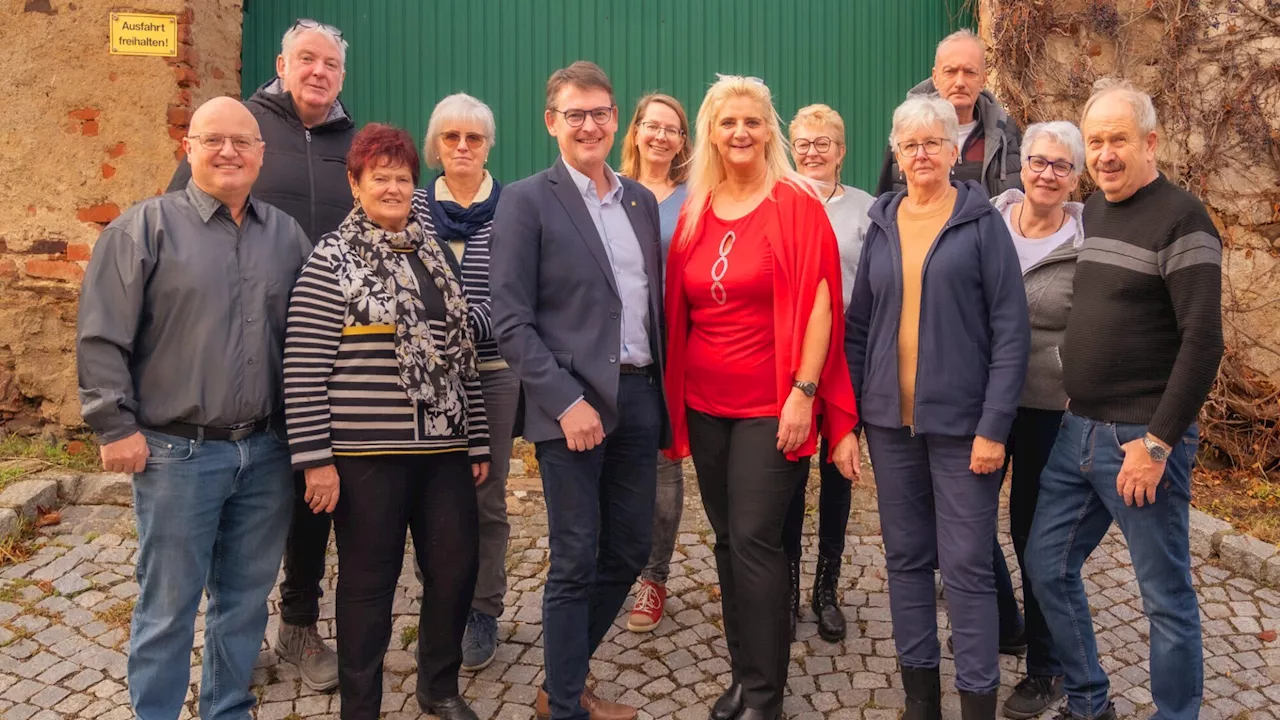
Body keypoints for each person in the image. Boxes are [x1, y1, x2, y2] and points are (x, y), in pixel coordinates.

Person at [78, 97, 312, 720]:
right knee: (168, 603)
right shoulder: (143, 228)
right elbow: (102, 335)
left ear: (262, 154)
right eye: (214, 140)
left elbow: (310, 339)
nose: (229, 152)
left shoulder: (286, 237)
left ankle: (226, 708)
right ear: (190, 148)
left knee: (244, 599)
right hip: (177, 452)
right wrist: (113, 423)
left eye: (242, 142)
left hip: (265, 452)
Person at [664, 74, 862, 720]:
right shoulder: (698, 207)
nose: (740, 133)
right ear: (711, 134)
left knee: (755, 538)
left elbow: (823, 302)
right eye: (728, 124)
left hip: (772, 402)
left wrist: (806, 392)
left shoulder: (794, 203)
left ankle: (767, 694)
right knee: (726, 540)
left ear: (768, 129)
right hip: (706, 399)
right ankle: (746, 675)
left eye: (751, 122)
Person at [167, 18, 355, 691]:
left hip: (323, 357)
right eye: (306, 59)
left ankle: (299, 624)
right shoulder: (241, 129)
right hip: (238, 349)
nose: (317, 72)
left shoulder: (352, 144)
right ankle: (233, 635)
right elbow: (177, 223)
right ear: (281, 63)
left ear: (341, 74)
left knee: (313, 495)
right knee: (233, 495)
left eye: (330, 63)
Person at [1025, 81, 1223, 720]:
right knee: (1046, 565)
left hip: (1140, 439)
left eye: (1118, 140)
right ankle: (1089, 704)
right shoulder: (1098, 211)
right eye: (1097, 141)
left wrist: (1159, 441)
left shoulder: (1182, 218)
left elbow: (1203, 342)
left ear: (1150, 141)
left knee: (1164, 594)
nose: (1105, 154)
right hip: (1075, 429)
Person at [283, 123, 490, 720]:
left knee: (454, 569)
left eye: (403, 177)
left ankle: (438, 687)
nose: (394, 188)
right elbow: (302, 366)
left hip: (444, 450)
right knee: (369, 585)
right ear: (355, 183)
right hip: (366, 454)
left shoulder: (432, 255)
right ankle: (361, 705)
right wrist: (315, 460)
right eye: (381, 177)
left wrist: (475, 438)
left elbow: (461, 358)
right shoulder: (332, 259)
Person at [491, 61, 667, 720]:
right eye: (575, 114)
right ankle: (565, 704)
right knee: (573, 559)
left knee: (627, 549)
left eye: (599, 112)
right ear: (551, 123)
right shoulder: (527, 200)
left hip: (640, 395)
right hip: (569, 407)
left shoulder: (640, 201)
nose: (588, 124)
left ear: (615, 118)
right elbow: (508, 318)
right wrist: (565, 400)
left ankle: (559, 679)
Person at [845, 95, 1029, 720]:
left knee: (968, 565)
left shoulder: (981, 224)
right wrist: (850, 419)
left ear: (956, 151)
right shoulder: (883, 221)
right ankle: (920, 699)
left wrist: (994, 426)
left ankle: (977, 702)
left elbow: (1011, 331)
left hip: (964, 429)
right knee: (905, 560)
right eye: (909, 144)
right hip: (889, 426)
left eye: (934, 142)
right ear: (896, 155)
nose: (921, 154)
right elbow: (859, 327)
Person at [408, 93, 516, 673]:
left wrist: (466, 330)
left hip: (495, 373)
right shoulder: (414, 206)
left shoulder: (514, 206)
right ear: (436, 147)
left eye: (473, 138)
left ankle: (482, 608)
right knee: (431, 491)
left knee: (485, 492)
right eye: (451, 138)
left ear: (488, 145)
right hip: (425, 378)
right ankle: (439, 598)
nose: (463, 147)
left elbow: (521, 290)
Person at [985, 120, 1087, 719]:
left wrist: (1085, 385)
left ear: (1075, 178)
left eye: (1060, 165)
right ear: (1020, 165)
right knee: (963, 521)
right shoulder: (991, 223)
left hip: (1052, 409)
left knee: (1034, 538)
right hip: (987, 401)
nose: (1046, 173)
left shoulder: (1087, 240)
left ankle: (1046, 670)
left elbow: (1102, 325)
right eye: (1037, 161)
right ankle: (1005, 621)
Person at [782, 103, 874, 643]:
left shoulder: (866, 209)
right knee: (788, 476)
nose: (812, 152)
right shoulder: (777, 200)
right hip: (790, 365)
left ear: (841, 151)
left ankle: (825, 589)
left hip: (847, 362)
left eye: (823, 143)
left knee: (839, 475)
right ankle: (789, 589)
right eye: (804, 142)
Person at [617, 92, 692, 634]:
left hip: (675, 346)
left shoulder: (695, 198)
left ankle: (654, 576)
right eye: (652, 126)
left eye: (672, 128)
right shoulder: (612, 190)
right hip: (618, 348)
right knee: (613, 463)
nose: (661, 136)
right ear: (637, 132)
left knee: (665, 462)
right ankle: (613, 564)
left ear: (683, 140)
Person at [875, 29, 1021, 198]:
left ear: (983, 80)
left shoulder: (1004, 133)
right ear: (935, 78)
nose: (960, 82)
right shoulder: (908, 129)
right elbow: (885, 200)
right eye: (950, 72)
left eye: (970, 72)